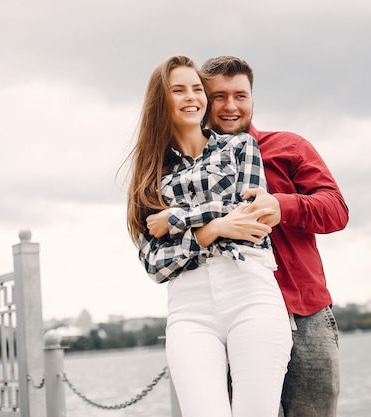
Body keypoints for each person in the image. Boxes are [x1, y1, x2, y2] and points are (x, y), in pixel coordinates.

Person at [125, 55, 292, 417]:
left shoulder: (240, 147)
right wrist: (212, 230)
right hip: (189, 309)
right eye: (179, 90)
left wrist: (177, 219)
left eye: (197, 89)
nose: (192, 97)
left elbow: (250, 217)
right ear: (161, 102)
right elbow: (155, 264)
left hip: (250, 290)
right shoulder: (148, 176)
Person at [200, 56, 349, 417]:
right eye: (218, 96)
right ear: (202, 101)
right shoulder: (190, 164)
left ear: (252, 98)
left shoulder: (290, 147)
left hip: (304, 314)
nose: (231, 106)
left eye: (241, 95)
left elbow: (336, 210)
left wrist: (283, 206)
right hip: (233, 317)